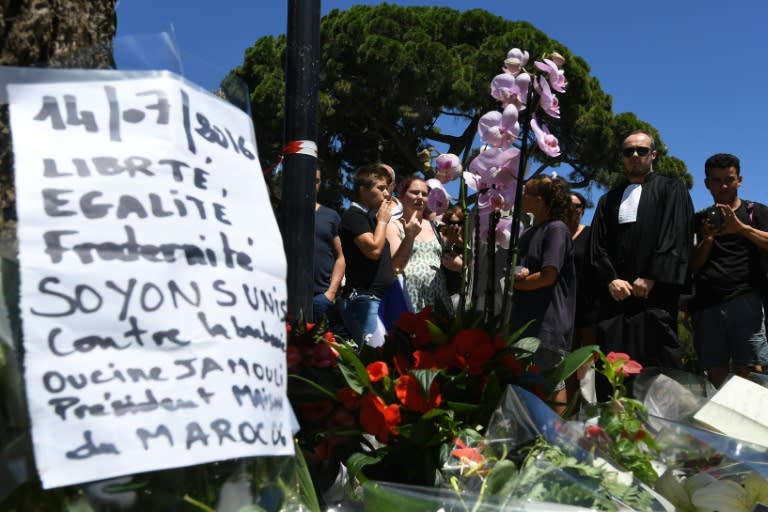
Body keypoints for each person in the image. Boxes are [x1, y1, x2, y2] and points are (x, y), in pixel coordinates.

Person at [590, 130, 694, 369]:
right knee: (614, 372)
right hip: (616, 301)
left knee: (658, 370)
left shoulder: (672, 189)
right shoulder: (609, 199)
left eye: (641, 150)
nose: (635, 155)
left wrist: (651, 276)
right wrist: (610, 279)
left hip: (655, 299)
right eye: (628, 151)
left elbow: (676, 235)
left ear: (653, 155)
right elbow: (598, 245)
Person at [689, 153, 768, 387]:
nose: (723, 185)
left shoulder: (756, 212)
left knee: (753, 370)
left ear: (739, 180)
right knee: (715, 373)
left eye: (729, 179)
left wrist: (741, 228)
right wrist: (708, 239)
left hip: (747, 301)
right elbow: (692, 265)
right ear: (707, 183)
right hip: (707, 305)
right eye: (716, 180)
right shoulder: (698, 220)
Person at [511, 176, 576, 409]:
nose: (521, 199)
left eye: (525, 194)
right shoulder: (529, 233)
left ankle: (555, 437)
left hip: (547, 325)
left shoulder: (556, 229)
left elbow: (548, 276)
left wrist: (516, 284)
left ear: (538, 201)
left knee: (551, 384)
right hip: (526, 324)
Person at [339, 163, 395, 346]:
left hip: (380, 300)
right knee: (373, 357)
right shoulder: (354, 216)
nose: (386, 194)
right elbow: (373, 250)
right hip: (364, 300)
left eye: (387, 188)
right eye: (381, 188)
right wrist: (383, 222)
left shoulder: (372, 220)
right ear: (363, 190)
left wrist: (409, 236)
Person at [386, 177, 461, 314]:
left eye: (425, 194)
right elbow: (395, 265)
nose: (420, 197)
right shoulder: (393, 225)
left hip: (439, 296)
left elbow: (446, 258)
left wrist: (451, 242)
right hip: (410, 295)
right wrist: (410, 236)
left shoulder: (436, 226)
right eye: (414, 192)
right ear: (401, 196)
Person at [313, 168, 345, 322]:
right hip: (288, 296)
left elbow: (340, 257)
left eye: (317, 181)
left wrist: (330, 293)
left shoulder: (331, 216)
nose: (313, 184)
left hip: (320, 297)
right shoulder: (283, 212)